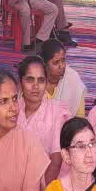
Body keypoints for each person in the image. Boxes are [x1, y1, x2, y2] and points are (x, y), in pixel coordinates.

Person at [18, 54, 73, 183]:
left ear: (46, 82)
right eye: (30, 80)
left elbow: (56, 161)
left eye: (41, 80)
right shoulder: (13, 109)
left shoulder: (56, 112)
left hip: (46, 181)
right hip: (13, 179)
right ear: (21, 82)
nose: (36, 86)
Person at [42, 38, 87, 118]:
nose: (62, 66)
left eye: (63, 60)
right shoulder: (36, 80)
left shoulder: (72, 78)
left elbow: (80, 116)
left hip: (68, 128)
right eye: (56, 62)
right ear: (45, 64)